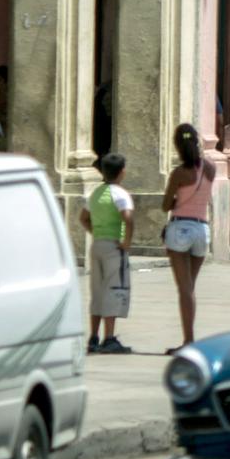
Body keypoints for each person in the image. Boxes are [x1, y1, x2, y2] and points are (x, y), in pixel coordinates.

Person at [162, 123, 215, 351]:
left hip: (180, 228)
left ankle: (188, 340)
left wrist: (176, 202)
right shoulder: (211, 169)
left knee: (184, 289)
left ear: (177, 146)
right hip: (202, 229)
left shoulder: (179, 173)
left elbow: (165, 204)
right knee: (190, 288)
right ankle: (189, 339)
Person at [77, 152, 133, 354]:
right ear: (122, 172)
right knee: (114, 290)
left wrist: (96, 232)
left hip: (97, 245)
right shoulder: (120, 194)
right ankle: (109, 338)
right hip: (114, 248)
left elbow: (83, 218)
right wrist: (126, 241)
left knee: (97, 292)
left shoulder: (95, 193)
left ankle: (93, 337)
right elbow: (128, 218)